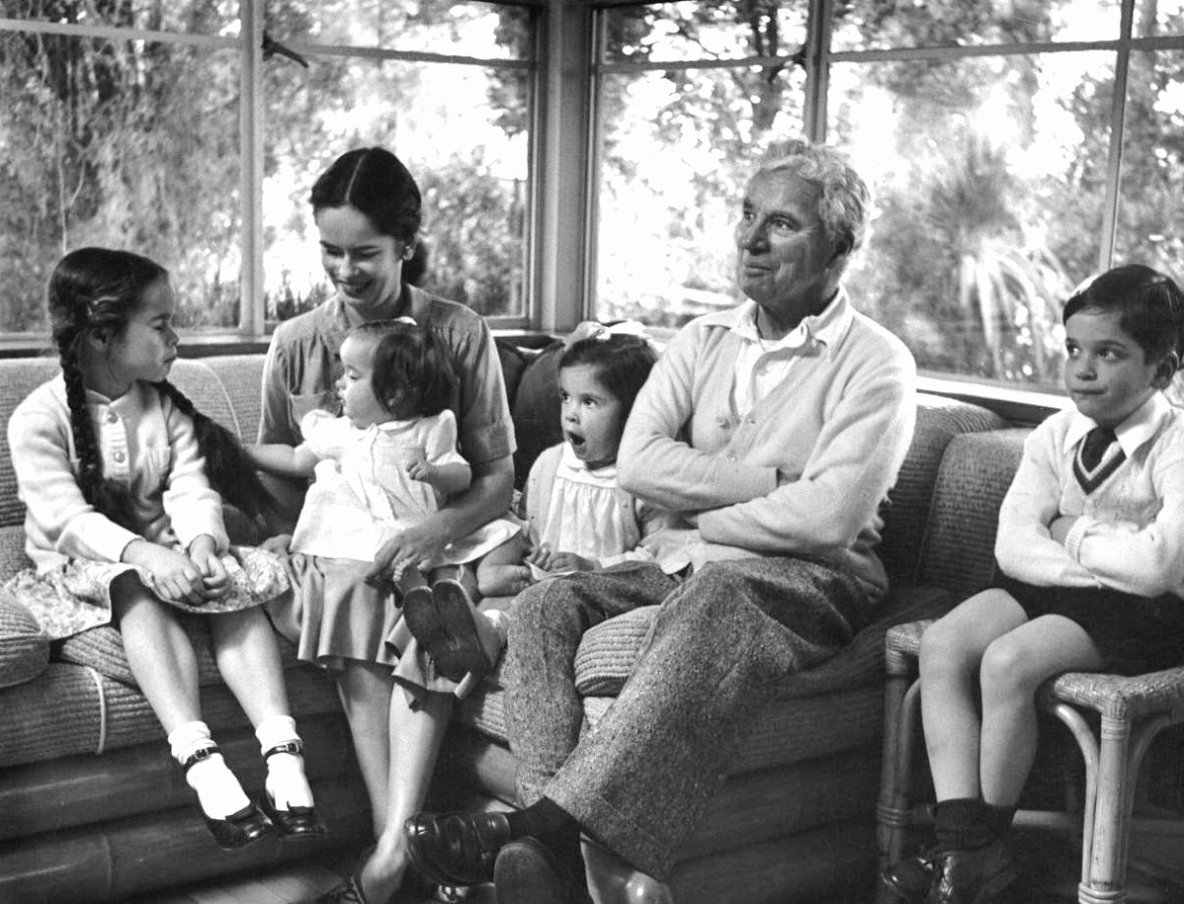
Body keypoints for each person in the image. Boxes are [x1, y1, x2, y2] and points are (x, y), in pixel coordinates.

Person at [403, 137, 918, 904]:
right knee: (545, 601)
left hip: (811, 582)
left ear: (839, 247)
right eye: (747, 214)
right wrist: (768, 482)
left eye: (781, 224)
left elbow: (829, 520)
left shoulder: (876, 363)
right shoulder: (702, 339)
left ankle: (540, 828)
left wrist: (707, 517)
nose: (749, 238)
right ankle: (558, 862)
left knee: (721, 597)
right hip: (676, 555)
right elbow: (640, 463)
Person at [258, 146, 516, 904]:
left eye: (363, 253)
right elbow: (285, 469)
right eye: (330, 251)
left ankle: (389, 854)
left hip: (438, 538)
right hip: (337, 554)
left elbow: (497, 478)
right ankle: (399, 839)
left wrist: (431, 534)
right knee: (371, 588)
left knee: (427, 596)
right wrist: (275, 532)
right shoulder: (298, 341)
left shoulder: (460, 332)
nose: (344, 270)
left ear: (406, 244)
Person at [880, 265, 1184, 904]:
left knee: (1009, 661)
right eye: (1074, 350)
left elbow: (1158, 569)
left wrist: (1069, 532)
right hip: (1051, 588)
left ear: (1162, 367)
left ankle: (965, 859)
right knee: (944, 645)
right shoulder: (1056, 433)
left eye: (1109, 354)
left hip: (1142, 613)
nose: (1083, 369)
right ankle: (971, 847)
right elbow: (1014, 544)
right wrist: (1103, 554)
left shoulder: (1175, 445)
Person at [5, 247, 324, 852]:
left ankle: (283, 757)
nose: (176, 338)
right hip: (83, 568)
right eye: (160, 325)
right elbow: (66, 520)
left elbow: (191, 486)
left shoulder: (165, 406)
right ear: (102, 334)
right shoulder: (37, 418)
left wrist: (203, 544)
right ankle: (203, 764)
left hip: (168, 550)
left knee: (234, 581)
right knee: (132, 588)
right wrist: (146, 558)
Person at [251, 320, 517, 697]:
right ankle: (441, 626)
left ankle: (463, 627)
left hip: (423, 528)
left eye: (352, 376)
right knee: (393, 569)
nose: (340, 383)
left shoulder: (431, 427)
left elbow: (462, 474)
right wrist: (237, 450)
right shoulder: (344, 432)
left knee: (482, 547)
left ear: (393, 393)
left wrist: (435, 473)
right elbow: (295, 459)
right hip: (379, 533)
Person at [471, 329, 668, 600]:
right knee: (505, 602)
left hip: (602, 595)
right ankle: (481, 626)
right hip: (541, 584)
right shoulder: (549, 464)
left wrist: (593, 567)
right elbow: (531, 528)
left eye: (588, 402)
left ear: (632, 413)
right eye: (565, 397)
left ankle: (489, 629)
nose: (570, 414)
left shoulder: (642, 478)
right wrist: (533, 553)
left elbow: (660, 555)